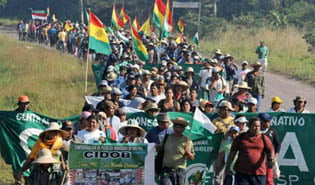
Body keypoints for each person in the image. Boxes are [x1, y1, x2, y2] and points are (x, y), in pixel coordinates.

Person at [225, 118, 275, 185]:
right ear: (249, 126)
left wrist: (271, 160)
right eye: (254, 126)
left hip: (259, 173)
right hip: (242, 173)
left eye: (258, 126)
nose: (257, 128)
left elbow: (271, 149)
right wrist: (228, 167)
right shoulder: (240, 138)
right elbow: (232, 153)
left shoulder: (264, 138)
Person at [159, 117, 195, 185]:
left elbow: (192, 158)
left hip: (180, 171)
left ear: (183, 129)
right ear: (173, 127)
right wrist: (153, 146)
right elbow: (159, 149)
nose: (177, 129)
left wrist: (188, 153)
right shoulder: (167, 137)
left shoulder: (187, 141)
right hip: (166, 170)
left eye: (180, 127)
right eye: (176, 126)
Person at [212, 100, 235, 185]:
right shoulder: (215, 121)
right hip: (219, 149)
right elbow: (212, 135)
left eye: (228, 110)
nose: (226, 111)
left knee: (230, 172)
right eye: (224, 109)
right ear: (220, 110)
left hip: (231, 149)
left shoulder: (234, 121)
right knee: (218, 172)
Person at [259, 113, 281, 185]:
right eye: (267, 121)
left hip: (269, 160)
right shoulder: (256, 132)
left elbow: (278, 144)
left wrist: (275, 157)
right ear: (261, 122)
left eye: (269, 121)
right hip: (258, 161)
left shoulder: (272, 131)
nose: (269, 123)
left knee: (269, 180)